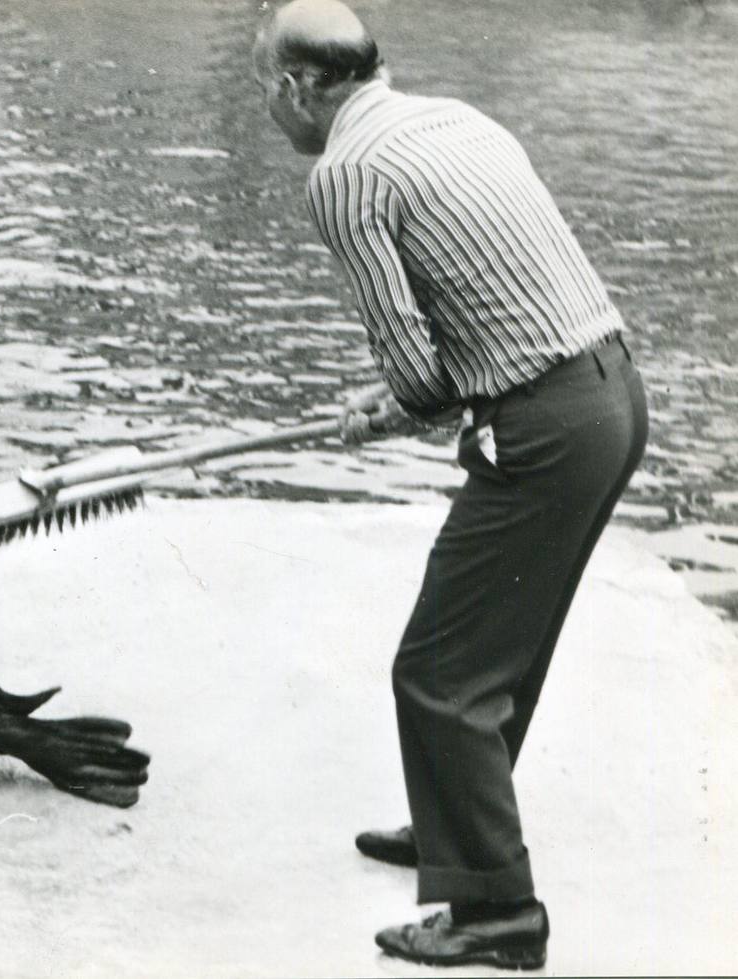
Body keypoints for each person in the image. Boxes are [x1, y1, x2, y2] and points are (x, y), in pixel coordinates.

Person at [251, 0, 649, 969]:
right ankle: (455, 839)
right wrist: (397, 400)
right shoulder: (453, 118)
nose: (271, 105)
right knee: (499, 657)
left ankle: (497, 916)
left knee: (439, 673)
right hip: (611, 396)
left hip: (544, 425)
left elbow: (425, 378)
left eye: (269, 86)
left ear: (302, 89)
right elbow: (469, 339)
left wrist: (387, 404)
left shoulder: (344, 174)